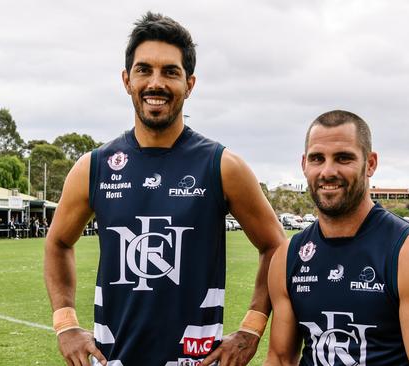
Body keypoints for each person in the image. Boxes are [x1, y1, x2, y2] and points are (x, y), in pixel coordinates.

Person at [44, 12, 285, 366]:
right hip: (114, 359)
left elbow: (275, 246)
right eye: (144, 70)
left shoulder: (222, 166)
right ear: (127, 80)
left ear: (190, 83)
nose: (156, 83)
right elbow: (58, 242)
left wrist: (252, 328)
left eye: (170, 72)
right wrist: (65, 324)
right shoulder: (94, 167)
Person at [264, 110, 409, 366]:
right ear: (304, 165)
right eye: (317, 159)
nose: (328, 171)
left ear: (371, 163)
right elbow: (280, 359)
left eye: (343, 158)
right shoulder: (289, 255)